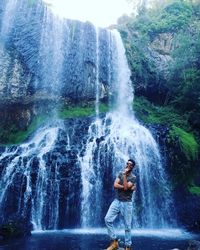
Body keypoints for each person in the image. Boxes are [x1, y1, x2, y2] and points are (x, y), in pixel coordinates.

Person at [104, 159, 136, 250]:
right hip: (117, 201)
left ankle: (128, 246)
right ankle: (114, 242)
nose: (127, 165)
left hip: (127, 203)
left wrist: (125, 177)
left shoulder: (133, 177)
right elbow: (115, 185)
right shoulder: (120, 173)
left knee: (127, 225)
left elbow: (126, 187)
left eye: (130, 165)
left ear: (132, 167)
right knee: (107, 219)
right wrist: (127, 188)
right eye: (127, 163)